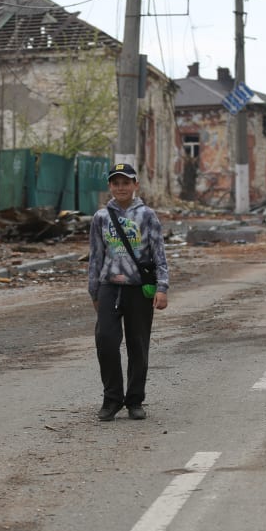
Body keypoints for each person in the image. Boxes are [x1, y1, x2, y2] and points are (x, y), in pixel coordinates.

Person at [88, 162, 170, 421]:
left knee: (138, 345)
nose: (121, 187)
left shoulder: (147, 216)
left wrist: (162, 287)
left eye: (126, 183)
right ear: (110, 186)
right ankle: (111, 400)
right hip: (109, 287)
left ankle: (135, 400)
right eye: (116, 183)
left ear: (135, 185)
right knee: (106, 342)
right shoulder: (101, 217)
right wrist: (94, 291)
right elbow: (95, 257)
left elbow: (159, 254)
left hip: (138, 289)